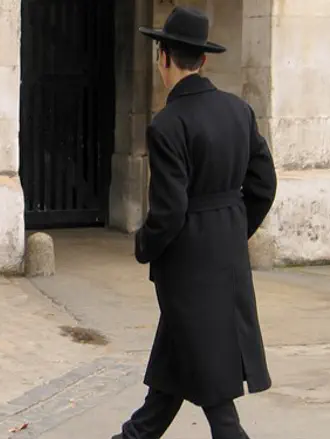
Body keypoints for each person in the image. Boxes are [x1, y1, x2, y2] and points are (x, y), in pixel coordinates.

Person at [112, 6, 277, 439]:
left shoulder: (168, 124)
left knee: (214, 390)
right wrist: (232, 230)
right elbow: (263, 185)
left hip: (187, 266)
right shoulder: (239, 111)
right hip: (226, 256)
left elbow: (168, 212)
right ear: (202, 60)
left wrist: (143, 245)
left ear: (163, 57)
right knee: (176, 364)